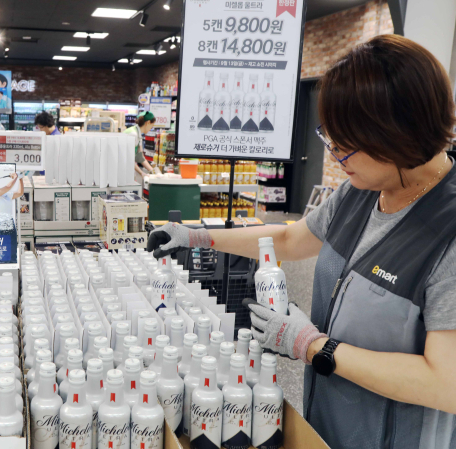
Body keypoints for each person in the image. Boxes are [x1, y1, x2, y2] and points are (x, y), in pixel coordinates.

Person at [147, 35, 456, 448]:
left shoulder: (447, 232)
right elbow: (290, 239)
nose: (334, 158)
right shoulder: (364, 190)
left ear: (395, 136)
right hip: (328, 420)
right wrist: (195, 235)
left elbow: (445, 384)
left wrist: (315, 348)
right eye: (331, 139)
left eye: (345, 148)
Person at [125, 111, 156, 178]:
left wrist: (153, 172)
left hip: (127, 169)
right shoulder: (133, 134)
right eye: (152, 126)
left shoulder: (138, 133)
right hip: (122, 170)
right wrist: (141, 173)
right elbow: (128, 159)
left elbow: (140, 158)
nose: (151, 129)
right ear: (147, 123)